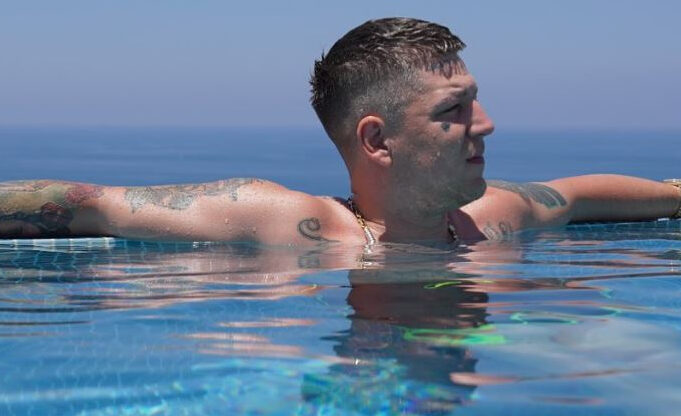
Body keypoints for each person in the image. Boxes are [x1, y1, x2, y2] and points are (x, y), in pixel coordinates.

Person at [1, 17, 679, 245]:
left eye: (475, 100)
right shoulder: (287, 224)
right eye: (454, 109)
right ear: (377, 140)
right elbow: (94, 204)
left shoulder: (494, 216)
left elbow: (576, 196)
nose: (487, 123)